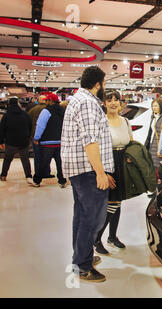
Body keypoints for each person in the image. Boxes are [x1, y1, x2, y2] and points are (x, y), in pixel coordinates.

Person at [61, 66, 114, 283]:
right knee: (93, 218)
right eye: (104, 82)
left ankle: (81, 258)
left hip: (82, 170)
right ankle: (82, 266)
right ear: (98, 84)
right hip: (87, 171)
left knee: (82, 216)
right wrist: (100, 173)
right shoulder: (88, 103)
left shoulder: (79, 99)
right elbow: (90, 141)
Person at [94, 91, 133, 256]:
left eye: (116, 99)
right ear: (104, 103)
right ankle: (96, 240)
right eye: (109, 100)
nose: (113, 103)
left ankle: (112, 236)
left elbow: (130, 142)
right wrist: (103, 172)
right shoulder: (101, 122)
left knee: (117, 203)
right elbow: (96, 149)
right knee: (111, 204)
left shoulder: (125, 121)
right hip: (108, 164)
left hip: (122, 164)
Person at [31, 93, 67, 188]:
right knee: (60, 164)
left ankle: (37, 180)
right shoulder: (63, 111)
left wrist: (36, 138)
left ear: (51, 101)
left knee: (43, 163)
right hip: (60, 142)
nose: (46, 102)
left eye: (47, 100)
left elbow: (40, 125)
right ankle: (62, 181)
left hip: (47, 143)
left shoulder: (46, 111)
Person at [0, 97, 33, 183]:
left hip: (10, 142)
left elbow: (2, 129)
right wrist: (28, 137)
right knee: (25, 160)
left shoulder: (6, 116)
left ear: (9, 104)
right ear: (18, 103)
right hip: (24, 142)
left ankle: (3, 175)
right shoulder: (25, 114)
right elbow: (30, 126)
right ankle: (28, 176)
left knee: (7, 159)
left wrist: (1, 141)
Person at [28, 94, 52, 178]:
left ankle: (38, 173)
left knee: (37, 155)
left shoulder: (32, 110)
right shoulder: (48, 110)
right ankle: (46, 173)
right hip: (47, 136)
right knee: (46, 156)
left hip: (35, 135)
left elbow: (29, 123)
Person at [144, 98, 162, 171]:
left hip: (158, 146)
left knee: (157, 166)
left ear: (161, 106)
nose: (154, 108)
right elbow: (150, 133)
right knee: (152, 165)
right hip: (151, 145)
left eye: (156, 106)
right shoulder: (153, 117)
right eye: (153, 106)